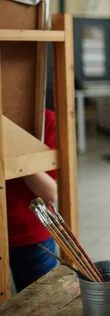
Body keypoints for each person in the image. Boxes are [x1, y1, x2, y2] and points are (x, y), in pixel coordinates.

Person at [7, 109, 59, 292]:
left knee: (43, 305)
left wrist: (12, 142)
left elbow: (50, 193)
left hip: (32, 236)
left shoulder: (42, 118)